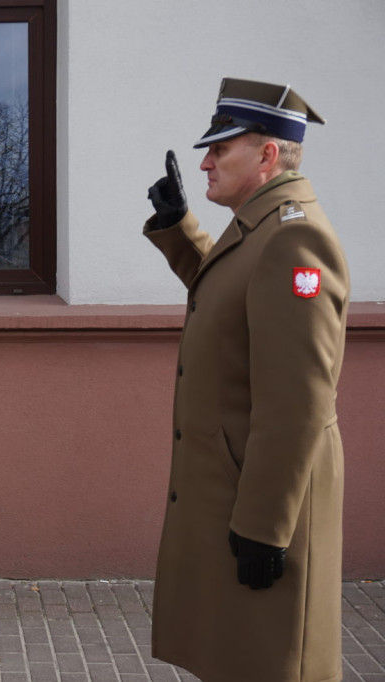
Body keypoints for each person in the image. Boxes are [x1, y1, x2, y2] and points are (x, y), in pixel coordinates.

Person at [144, 78, 349, 682]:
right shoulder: (260, 226)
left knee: (272, 661)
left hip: (265, 502)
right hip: (241, 486)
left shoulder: (295, 238)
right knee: (237, 656)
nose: (204, 161)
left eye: (220, 149)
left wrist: (264, 526)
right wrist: (180, 225)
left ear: (266, 155)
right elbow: (231, 295)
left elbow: (297, 402)